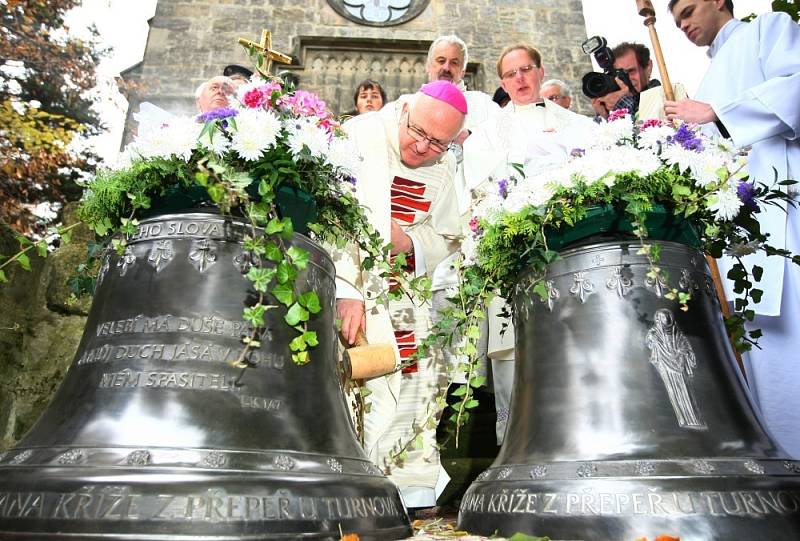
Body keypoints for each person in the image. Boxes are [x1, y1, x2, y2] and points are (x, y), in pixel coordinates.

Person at [664, 0, 800, 458]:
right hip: (733, 239)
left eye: (688, 10)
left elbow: (796, 86)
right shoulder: (707, 78)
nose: (683, 24)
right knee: (757, 358)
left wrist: (717, 114)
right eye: (676, 20)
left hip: (783, 223)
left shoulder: (768, 30)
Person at [336, 81, 466, 507]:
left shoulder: (445, 168)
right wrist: (345, 286)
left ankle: (409, 486)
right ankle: (351, 480)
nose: (423, 146)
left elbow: (447, 233)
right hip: (350, 280)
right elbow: (330, 213)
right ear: (404, 110)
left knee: (422, 375)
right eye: (418, 132)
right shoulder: (361, 134)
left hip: (405, 287)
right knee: (353, 376)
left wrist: (409, 243)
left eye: (438, 143)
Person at [463, 44, 594, 443]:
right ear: (501, 82)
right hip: (513, 254)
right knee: (513, 354)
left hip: (571, 253)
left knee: (575, 351)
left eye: (526, 69)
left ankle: (579, 440)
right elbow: (477, 191)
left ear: (540, 71)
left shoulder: (579, 125)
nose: (519, 79)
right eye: (510, 74)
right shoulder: (486, 135)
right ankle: (517, 445)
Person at [591, 42, 661, 119]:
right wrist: (606, 117)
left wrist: (621, 105)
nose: (625, 80)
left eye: (630, 71)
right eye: (619, 75)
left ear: (648, 67)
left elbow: (649, 124)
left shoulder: (665, 96)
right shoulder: (612, 106)